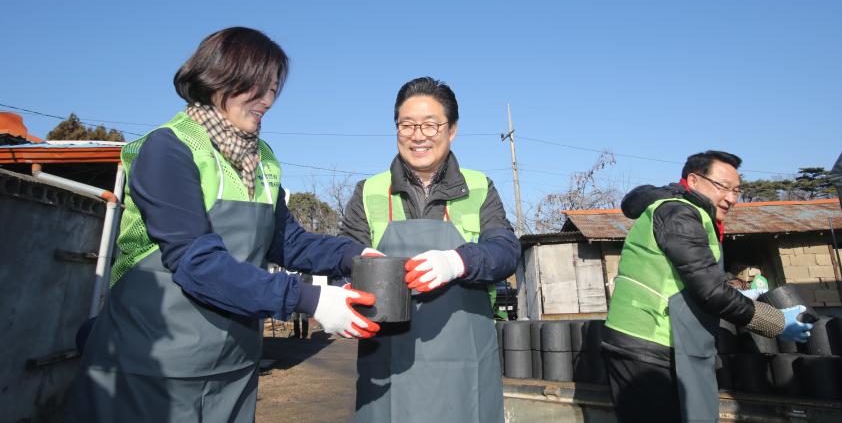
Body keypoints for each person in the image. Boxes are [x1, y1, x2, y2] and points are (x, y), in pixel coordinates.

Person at [67, 27, 380, 422]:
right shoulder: (169, 148)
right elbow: (196, 261)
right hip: (150, 369)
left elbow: (288, 242)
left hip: (231, 370)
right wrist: (312, 300)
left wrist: (354, 255)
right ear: (220, 77)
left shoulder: (262, 159)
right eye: (260, 87)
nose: (268, 101)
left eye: (274, 90)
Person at [339, 77, 520, 423]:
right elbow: (346, 252)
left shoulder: (479, 187)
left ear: (451, 130)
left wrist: (459, 261)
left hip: (465, 363)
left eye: (430, 125)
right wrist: (342, 290)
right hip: (386, 363)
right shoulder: (370, 190)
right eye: (407, 125)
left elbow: (505, 250)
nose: (418, 135)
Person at [602, 150, 812, 423]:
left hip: (658, 340)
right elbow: (710, 292)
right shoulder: (680, 215)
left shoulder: (688, 212)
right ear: (693, 180)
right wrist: (775, 322)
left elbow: (694, 277)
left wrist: (735, 291)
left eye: (737, 190)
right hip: (647, 342)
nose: (731, 198)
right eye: (722, 187)